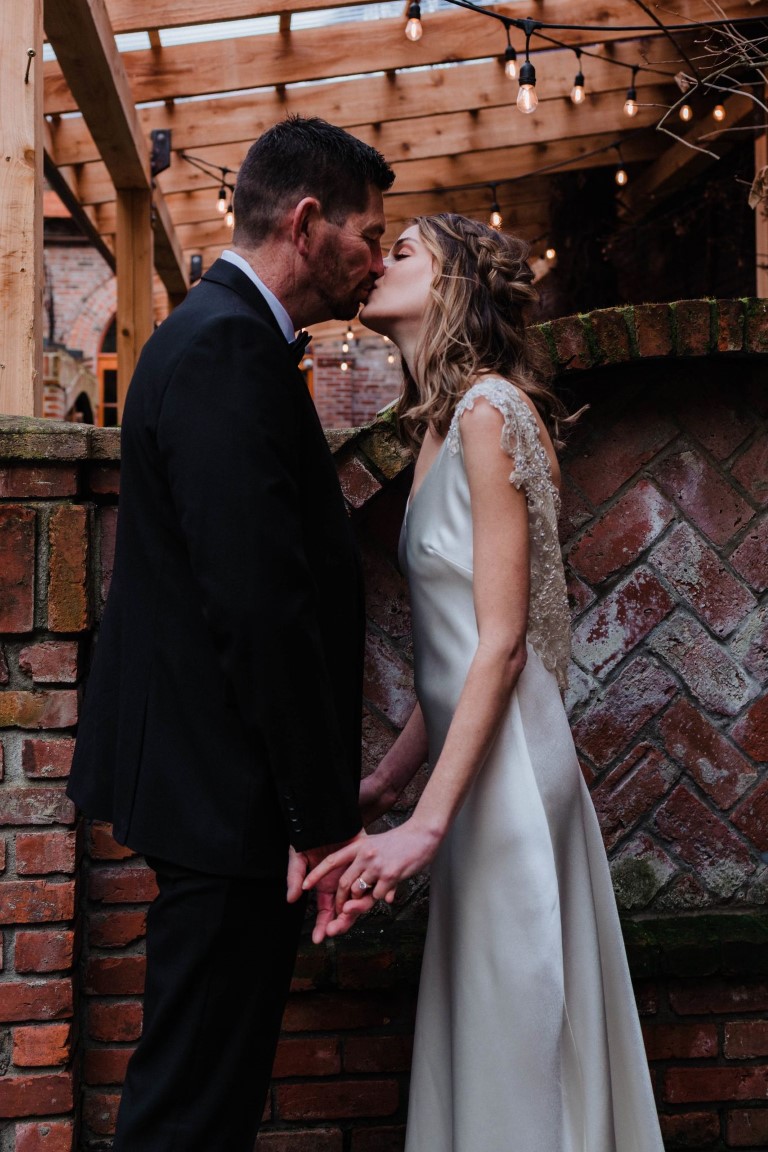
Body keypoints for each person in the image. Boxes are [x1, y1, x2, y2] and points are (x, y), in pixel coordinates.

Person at [66, 117, 394, 1152]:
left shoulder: (221, 336)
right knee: (192, 1105)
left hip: (219, 790)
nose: (377, 259)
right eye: (369, 234)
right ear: (307, 224)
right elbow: (258, 606)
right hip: (228, 799)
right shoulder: (223, 348)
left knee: (206, 1087)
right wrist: (317, 820)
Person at [305, 214, 665, 1152]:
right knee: (495, 1014)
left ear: (456, 283)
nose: (381, 262)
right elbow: (461, 649)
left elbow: (504, 645)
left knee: (519, 1029)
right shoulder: (441, 424)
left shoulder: (490, 414)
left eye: (407, 251)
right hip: (475, 772)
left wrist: (421, 826)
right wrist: (389, 784)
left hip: (508, 777)